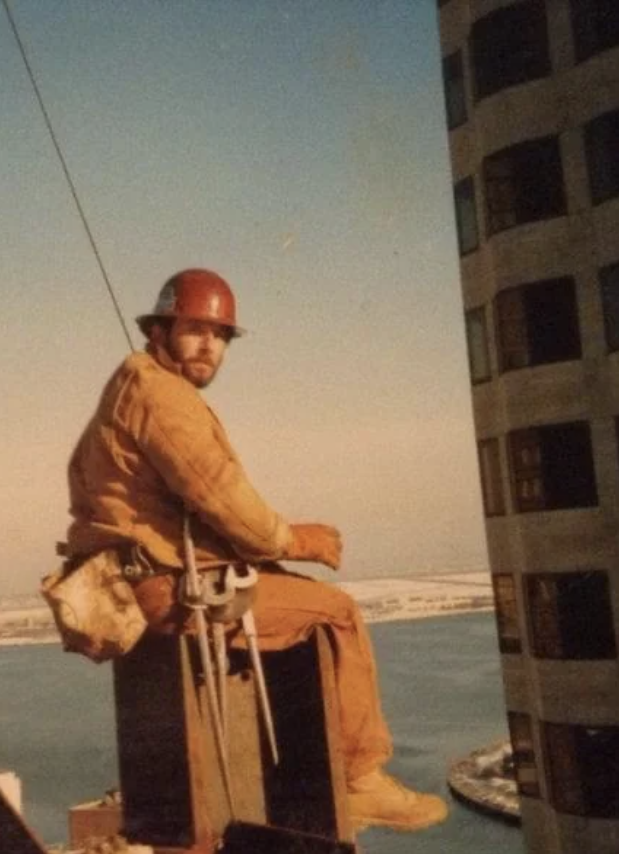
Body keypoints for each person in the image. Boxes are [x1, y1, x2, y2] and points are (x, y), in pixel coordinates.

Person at [64, 268, 448, 833]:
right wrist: (296, 540)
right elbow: (222, 497)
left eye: (220, 336)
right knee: (336, 613)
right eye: (195, 329)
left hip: (137, 584)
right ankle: (361, 779)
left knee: (300, 598)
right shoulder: (159, 395)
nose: (209, 346)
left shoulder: (131, 387)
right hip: (167, 591)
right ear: (161, 330)